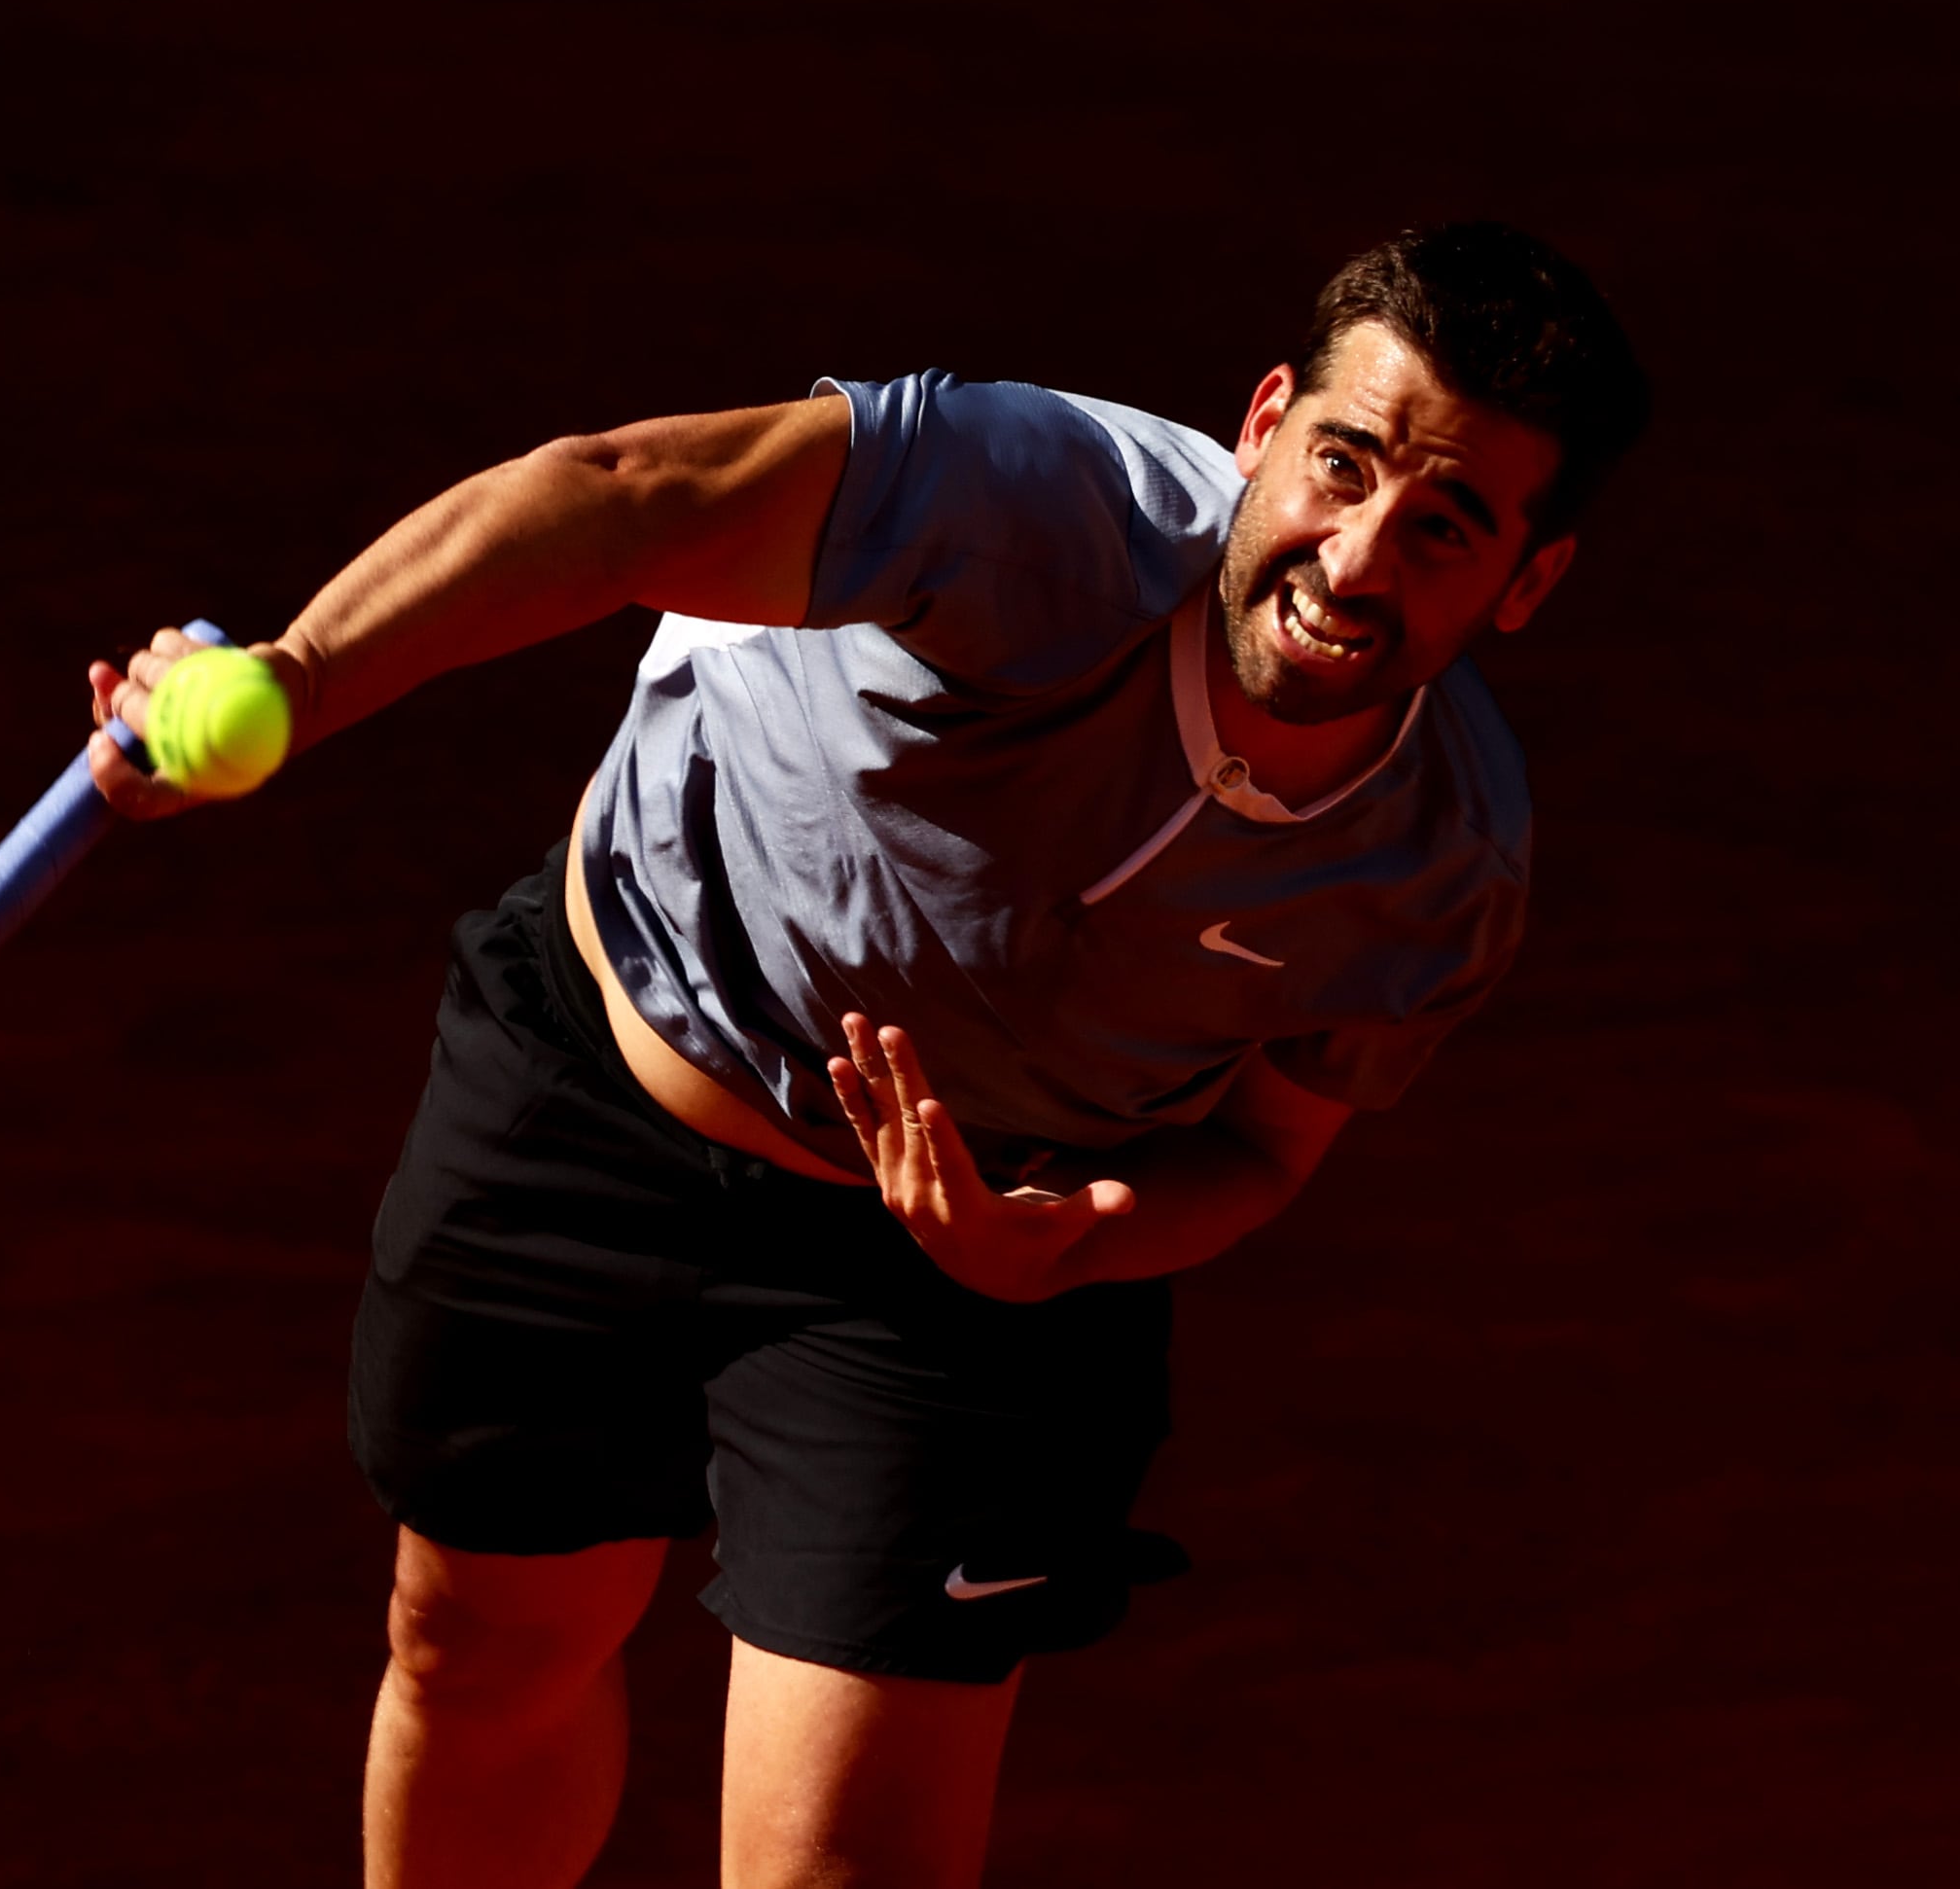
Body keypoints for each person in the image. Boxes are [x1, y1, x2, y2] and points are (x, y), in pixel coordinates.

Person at [87, 222, 1650, 1889]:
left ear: (1527, 583)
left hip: (963, 1285)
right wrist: (298, 680)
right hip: (593, 1104)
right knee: (479, 1658)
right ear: (1265, 423)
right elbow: (616, 495)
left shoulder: (1440, 868)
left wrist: (1074, 1245)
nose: (1354, 559)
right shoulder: (1025, 505)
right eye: (1342, 467)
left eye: (1447, 527)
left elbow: (1262, 1154)